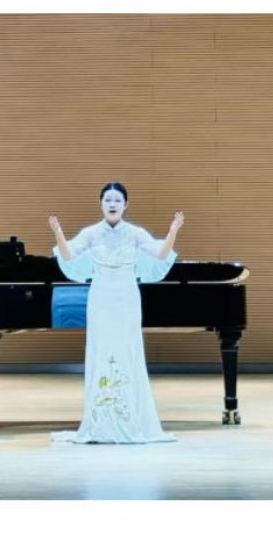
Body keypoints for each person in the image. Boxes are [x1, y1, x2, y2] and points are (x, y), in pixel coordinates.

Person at [49, 182, 184, 443]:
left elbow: (160, 254)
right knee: (101, 351)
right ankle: (100, 420)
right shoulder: (91, 233)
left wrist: (173, 231)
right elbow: (68, 255)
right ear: (101, 204)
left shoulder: (135, 233)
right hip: (100, 301)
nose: (112, 204)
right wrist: (58, 233)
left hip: (127, 301)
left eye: (117, 200)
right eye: (108, 200)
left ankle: (128, 417)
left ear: (125, 205)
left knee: (127, 351)